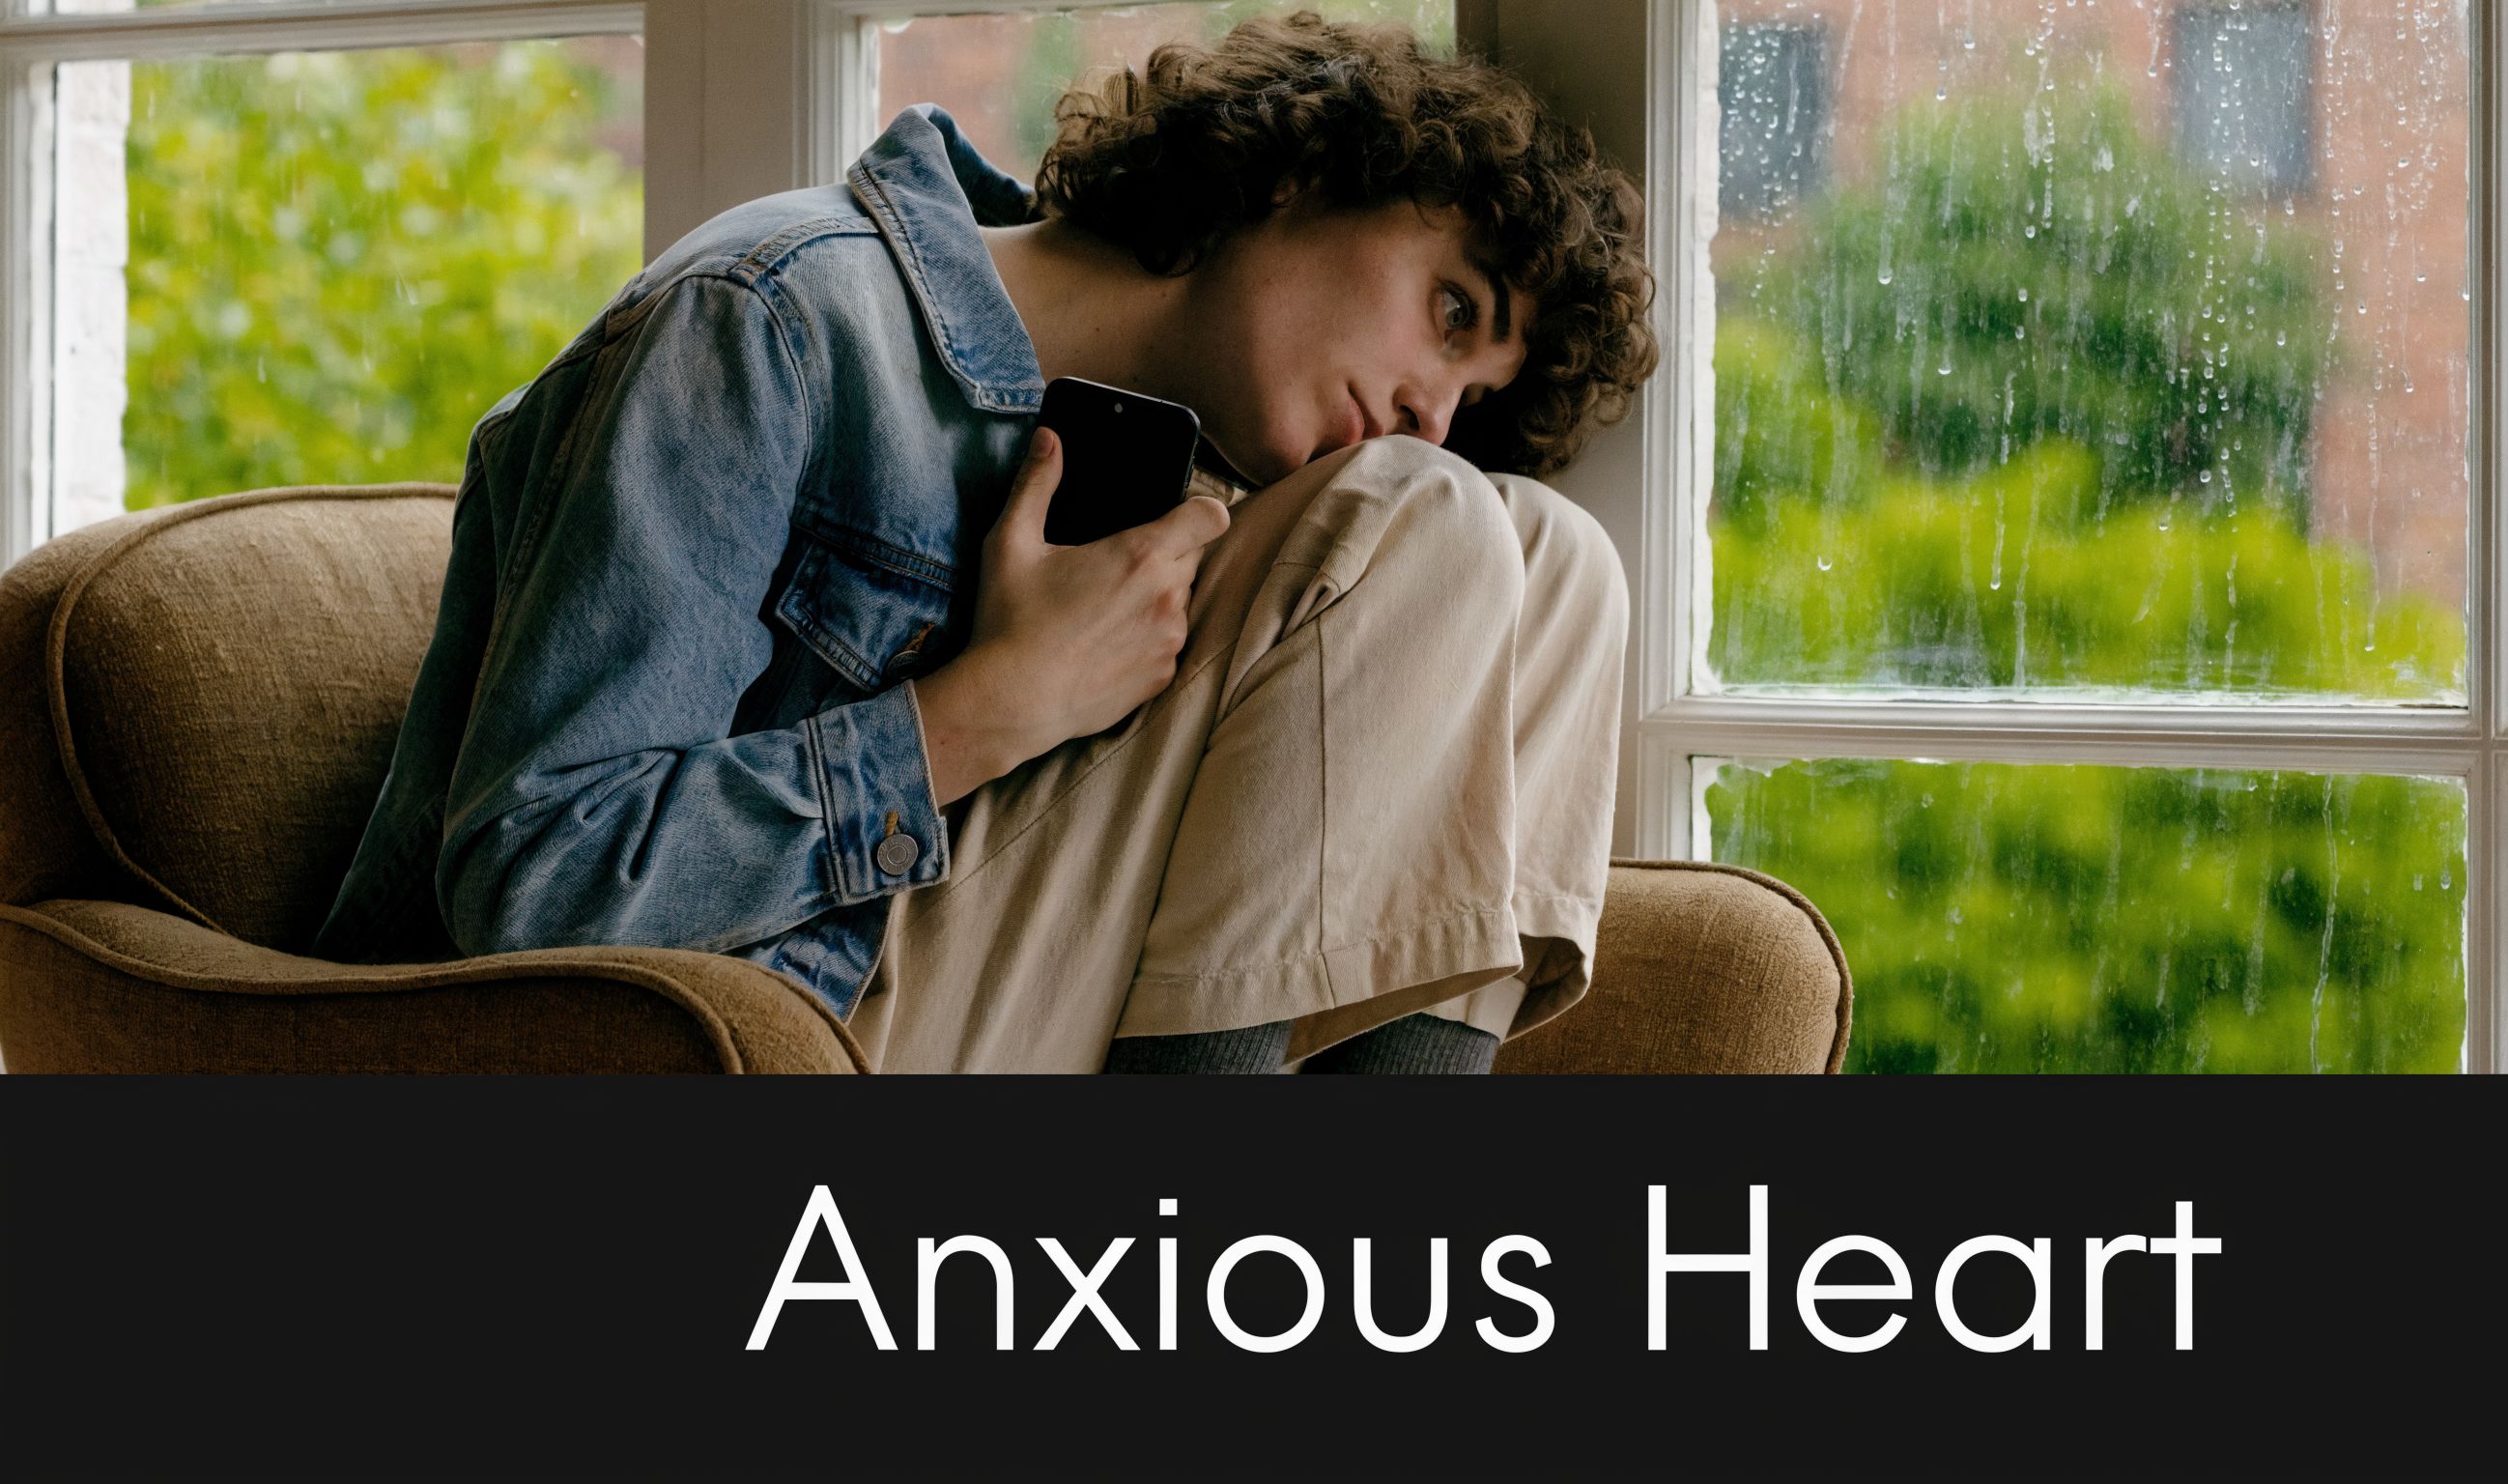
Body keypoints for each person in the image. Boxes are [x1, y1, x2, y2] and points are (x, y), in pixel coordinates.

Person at [308, 12, 1658, 1073]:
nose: (1434, 408)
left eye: (1472, 401)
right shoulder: (773, 319)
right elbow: (533, 885)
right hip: (735, 1034)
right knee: (1426, 519)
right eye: (1450, 308)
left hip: (968, 1014)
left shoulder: (1192, 490)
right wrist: (978, 716)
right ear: (1306, 171)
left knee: (1555, 562)